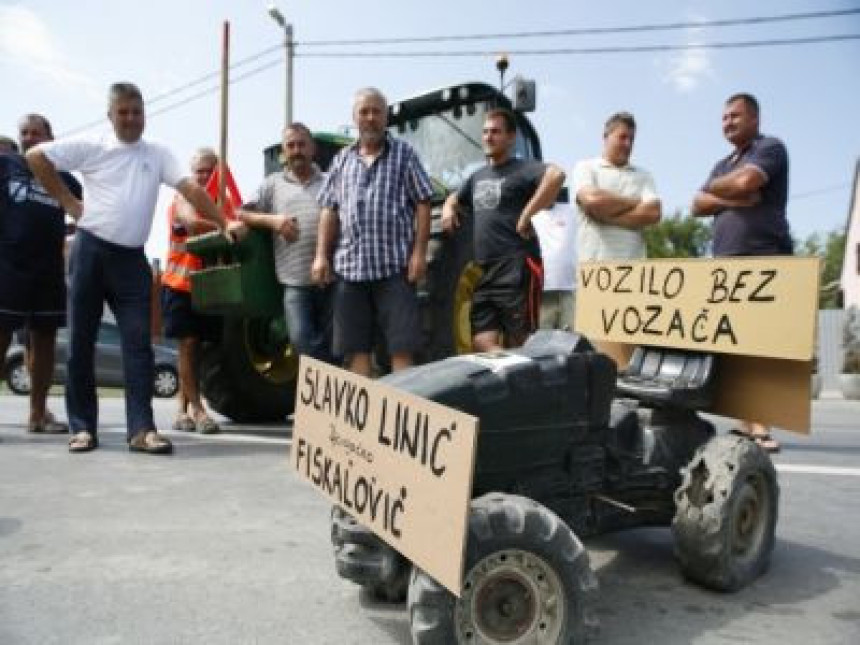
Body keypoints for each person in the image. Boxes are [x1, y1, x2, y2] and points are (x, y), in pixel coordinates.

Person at [26, 82, 238, 455]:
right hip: (90, 250)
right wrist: (68, 202)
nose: (130, 118)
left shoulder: (156, 153)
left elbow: (190, 189)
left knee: (139, 346)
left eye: (136, 112)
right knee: (80, 344)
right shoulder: (93, 145)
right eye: (123, 112)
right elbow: (37, 156)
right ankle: (83, 428)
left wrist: (223, 221)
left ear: (144, 115)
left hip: (131, 262)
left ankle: (141, 429)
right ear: (111, 116)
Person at [692, 92, 792, 453]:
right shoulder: (723, 163)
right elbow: (696, 203)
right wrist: (728, 197)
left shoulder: (770, 148)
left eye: (735, 116)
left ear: (754, 118)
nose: (727, 123)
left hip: (762, 258)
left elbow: (746, 183)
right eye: (724, 118)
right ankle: (744, 423)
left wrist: (721, 189)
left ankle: (762, 425)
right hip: (726, 263)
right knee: (733, 345)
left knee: (760, 345)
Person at [312, 87, 434, 376]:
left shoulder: (404, 154)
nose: (370, 118)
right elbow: (329, 209)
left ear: (385, 117)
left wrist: (419, 253)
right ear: (355, 118)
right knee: (356, 351)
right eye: (364, 112)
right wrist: (320, 256)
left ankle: (402, 419)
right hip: (349, 272)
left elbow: (423, 203)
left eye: (376, 111)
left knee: (401, 348)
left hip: (395, 270)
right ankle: (364, 422)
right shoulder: (341, 160)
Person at [442, 108, 566, 351]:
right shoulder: (477, 177)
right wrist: (448, 209)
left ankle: (524, 385)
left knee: (519, 340)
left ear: (511, 138)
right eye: (486, 132)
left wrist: (526, 215)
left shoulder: (523, 168)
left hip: (517, 264)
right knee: (481, 340)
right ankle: (506, 377)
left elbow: (556, 175)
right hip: (484, 270)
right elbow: (455, 197)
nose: (488, 137)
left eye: (496, 132)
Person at [0, 113, 80, 434]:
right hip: (9, 266)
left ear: (50, 137)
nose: (29, 138)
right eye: (24, 133)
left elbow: (83, 211)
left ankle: (37, 414)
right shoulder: (6, 166)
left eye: (36, 133)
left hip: (48, 270)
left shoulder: (65, 178)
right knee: (2, 336)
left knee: (44, 340)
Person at [239, 123, 336, 365]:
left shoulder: (330, 180)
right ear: (284, 151)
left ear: (312, 148)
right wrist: (273, 220)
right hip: (295, 283)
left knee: (336, 343)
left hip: (331, 279)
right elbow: (241, 213)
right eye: (290, 146)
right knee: (301, 340)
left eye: (302, 144)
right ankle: (324, 381)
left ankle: (326, 392)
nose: (296, 150)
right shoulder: (272, 184)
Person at [161, 147, 224, 434]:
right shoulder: (182, 198)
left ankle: (181, 409)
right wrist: (228, 225)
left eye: (209, 171)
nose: (203, 176)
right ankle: (197, 410)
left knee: (198, 349)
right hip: (180, 284)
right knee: (187, 345)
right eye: (198, 171)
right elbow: (190, 222)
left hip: (209, 287)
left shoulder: (223, 202)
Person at [573, 111, 661, 262]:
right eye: (623, 137)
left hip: (634, 269)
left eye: (632, 139)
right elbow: (593, 201)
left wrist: (606, 216)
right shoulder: (586, 167)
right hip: (593, 269)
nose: (628, 144)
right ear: (606, 137)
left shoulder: (643, 175)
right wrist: (635, 202)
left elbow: (653, 213)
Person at [532, 202, 578, 331]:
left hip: (571, 286)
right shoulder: (529, 213)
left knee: (571, 338)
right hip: (541, 288)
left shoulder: (572, 210)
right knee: (542, 338)